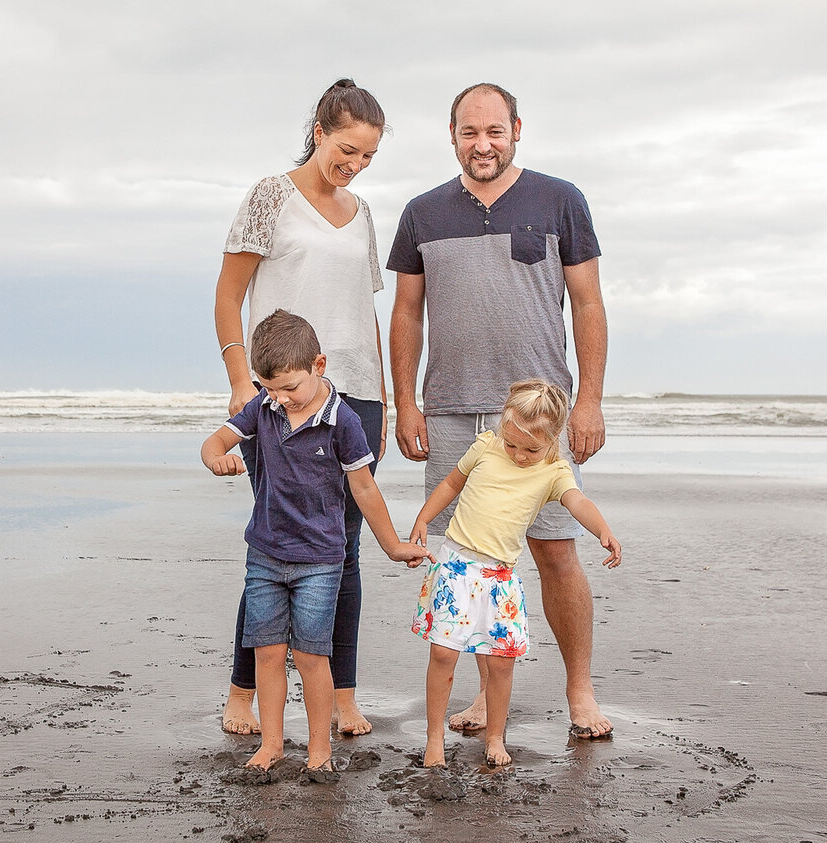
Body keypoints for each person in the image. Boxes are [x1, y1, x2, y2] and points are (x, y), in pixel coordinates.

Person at [388, 82, 615, 738]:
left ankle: (580, 691)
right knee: (472, 562)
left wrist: (589, 402)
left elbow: (589, 305)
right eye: (469, 133)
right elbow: (406, 311)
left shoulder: (560, 200)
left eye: (494, 131)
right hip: (453, 411)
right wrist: (407, 403)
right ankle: (488, 703)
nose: (482, 144)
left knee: (553, 551)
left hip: (537, 417)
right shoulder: (422, 213)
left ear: (517, 129)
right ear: (453, 135)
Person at [214, 79, 390, 737]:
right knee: (278, 547)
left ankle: (342, 696)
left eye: (367, 156)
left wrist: (386, 402)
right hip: (282, 401)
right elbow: (228, 298)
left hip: (356, 398)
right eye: (346, 150)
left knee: (343, 551)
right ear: (319, 131)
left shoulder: (365, 212)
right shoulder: (270, 197)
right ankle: (242, 693)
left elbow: (365, 311)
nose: (354, 165)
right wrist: (242, 382)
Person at [201, 310, 428, 774]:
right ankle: (271, 744)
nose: (281, 399)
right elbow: (215, 441)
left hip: (321, 562)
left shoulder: (343, 420)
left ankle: (319, 751)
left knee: (311, 655)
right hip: (264, 555)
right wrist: (215, 459)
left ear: (319, 365)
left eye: (291, 388)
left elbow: (363, 488)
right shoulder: (263, 408)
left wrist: (392, 545)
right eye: (270, 389)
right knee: (266, 651)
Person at [411, 381, 621, 769]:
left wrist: (603, 531)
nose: (519, 455)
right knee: (443, 653)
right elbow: (451, 483)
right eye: (513, 445)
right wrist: (423, 518)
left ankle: (495, 737)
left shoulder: (555, 471)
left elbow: (579, 502)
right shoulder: (487, 447)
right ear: (504, 428)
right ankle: (434, 738)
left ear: (553, 438)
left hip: (500, 576)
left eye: (530, 449)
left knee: (501, 662)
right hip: (457, 565)